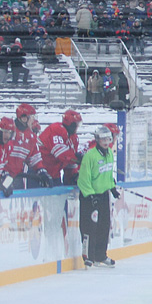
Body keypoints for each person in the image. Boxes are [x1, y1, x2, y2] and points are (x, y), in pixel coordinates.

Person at [78, 126, 118, 267]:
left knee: (104, 225)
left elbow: (107, 175)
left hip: (103, 195)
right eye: (103, 139)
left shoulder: (109, 154)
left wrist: (112, 188)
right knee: (89, 227)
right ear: (97, 140)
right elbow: (84, 178)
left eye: (108, 139)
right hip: (89, 197)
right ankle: (88, 256)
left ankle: (101, 255)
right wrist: (89, 195)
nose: (106, 142)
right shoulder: (90, 155)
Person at [38, 110, 82, 185]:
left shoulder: (74, 138)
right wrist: (78, 159)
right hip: (40, 172)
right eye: (77, 124)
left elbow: (70, 162)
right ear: (71, 124)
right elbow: (62, 155)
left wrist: (72, 175)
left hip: (55, 173)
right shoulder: (55, 130)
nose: (78, 126)